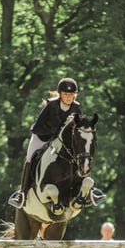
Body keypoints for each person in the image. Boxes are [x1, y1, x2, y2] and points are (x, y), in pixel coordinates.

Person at [8, 77, 104, 211]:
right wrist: (54, 131)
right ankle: (22, 193)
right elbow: (36, 127)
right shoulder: (50, 105)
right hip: (42, 138)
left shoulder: (76, 107)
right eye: (66, 94)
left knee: (82, 154)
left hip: (62, 142)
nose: (69, 97)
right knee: (29, 158)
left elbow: (79, 128)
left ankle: (91, 191)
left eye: (71, 94)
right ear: (60, 94)